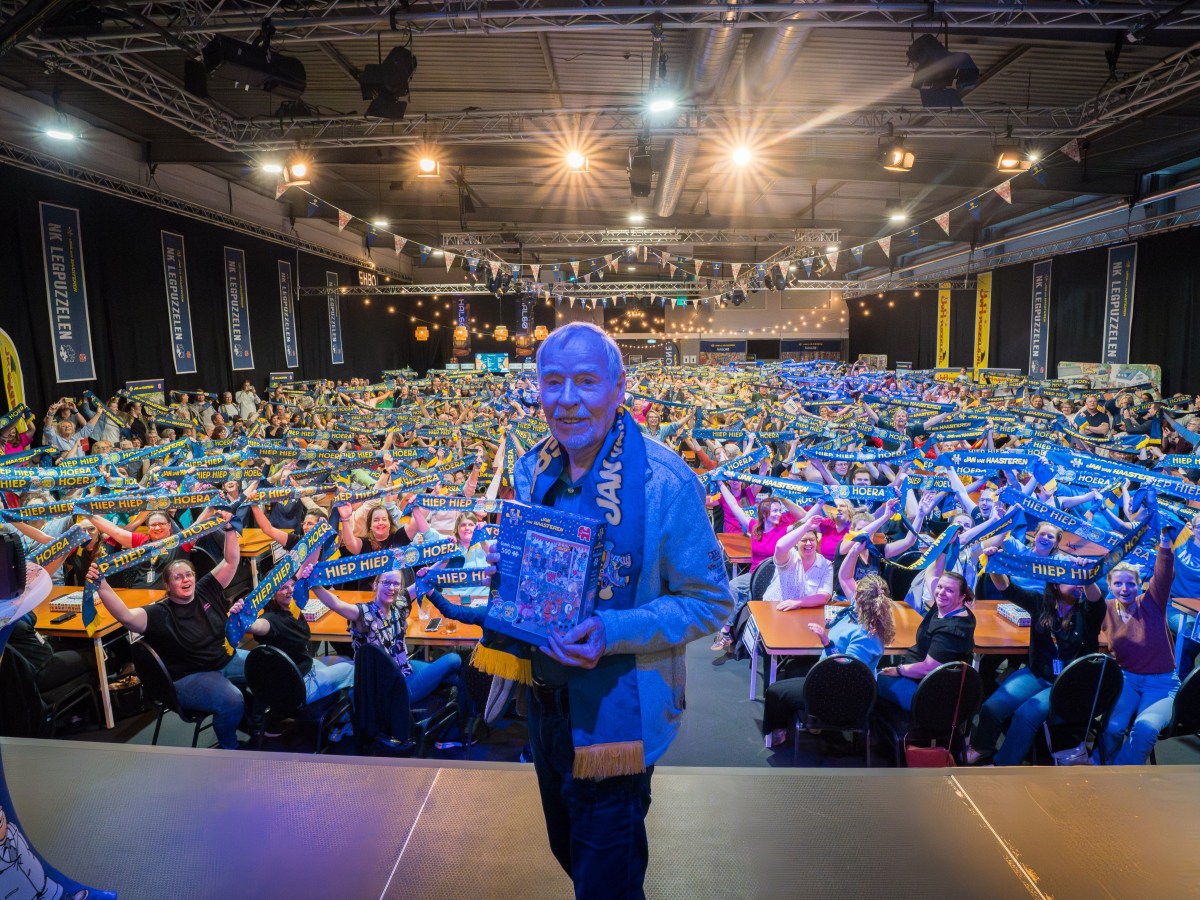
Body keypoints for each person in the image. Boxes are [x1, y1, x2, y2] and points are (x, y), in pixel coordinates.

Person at [508, 322, 731, 899]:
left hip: (620, 719)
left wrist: (611, 630)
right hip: (546, 706)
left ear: (618, 387)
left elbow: (710, 602)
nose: (567, 398)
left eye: (586, 381)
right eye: (552, 381)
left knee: (606, 879)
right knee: (571, 852)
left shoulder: (666, 482)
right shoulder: (532, 471)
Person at [89, 518, 245, 749]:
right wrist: (101, 585)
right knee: (233, 699)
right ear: (168, 585)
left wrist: (230, 529)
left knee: (265, 666)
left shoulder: (205, 589)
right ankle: (229, 747)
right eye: (178, 577)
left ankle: (257, 723)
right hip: (190, 677)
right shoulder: (159, 613)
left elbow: (231, 561)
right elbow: (126, 617)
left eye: (189, 574)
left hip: (225, 659)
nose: (186, 580)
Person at [966, 559, 1105, 766]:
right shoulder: (1040, 603)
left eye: (1079, 581)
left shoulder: (1087, 612)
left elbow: (1096, 599)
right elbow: (1005, 587)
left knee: (1026, 714)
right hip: (1038, 675)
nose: (1077, 584)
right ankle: (979, 748)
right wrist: (993, 564)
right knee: (992, 706)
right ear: (1056, 584)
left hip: (1068, 685)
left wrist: (1085, 576)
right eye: (1071, 579)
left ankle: (1003, 764)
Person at [761, 572, 896, 747]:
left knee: (774, 691)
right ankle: (807, 722)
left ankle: (780, 731)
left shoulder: (866, 635)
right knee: (792, 668)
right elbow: (844, 576)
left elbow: (846, 669)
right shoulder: (861, 610)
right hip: (833, 676)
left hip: (840, 692)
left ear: (857, 596)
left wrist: (825, 641)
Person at [310, 570, 461, 706]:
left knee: (455, 678)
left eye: (396, 583)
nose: (391, 587)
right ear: (375, 585)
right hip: (389, 689)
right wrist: (313, 582)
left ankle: (464, 726)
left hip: (404, 670)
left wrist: (445, 556)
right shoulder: (364, 613)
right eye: (386, 582)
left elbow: (424, 579)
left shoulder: (398, 605)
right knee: (453, 659)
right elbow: (336, 604)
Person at [1098, 532, 1179, 765]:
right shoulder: (1105, 608)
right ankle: (1100, 765)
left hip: (1162, 683)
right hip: (1127, 680)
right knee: (1113, 727)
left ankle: (1121, 777)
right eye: (1118, 583)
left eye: (1130, 583)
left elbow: (1164, 576)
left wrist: (1164, 543)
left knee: (1145, 729)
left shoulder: (1152, 602)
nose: (1125, 589)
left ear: (1139, 585)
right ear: (1110, 585)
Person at [241, 574, 355, 704]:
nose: (290, 590)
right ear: (272, 594)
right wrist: (241, 617)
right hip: (302, 686)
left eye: (292, 585)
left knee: (346, 660)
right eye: (284, 588)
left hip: (303, 671)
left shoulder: (290, 609)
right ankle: (354, 718)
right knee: (355, 669)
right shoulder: (272, 620)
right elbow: (258, 626)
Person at [877, 571, 977, 710]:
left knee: (872, 680)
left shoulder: (952, 631)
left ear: (961, 597)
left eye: (949, 590)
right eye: (940, 586)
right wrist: (940, 549)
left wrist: (899, 670)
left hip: (929, 693)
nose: (941, 592)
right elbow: (931, 573)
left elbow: (928, 668)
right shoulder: (945, 605)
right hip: (917, 676)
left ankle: (880, 729)